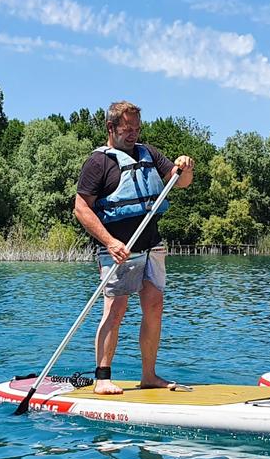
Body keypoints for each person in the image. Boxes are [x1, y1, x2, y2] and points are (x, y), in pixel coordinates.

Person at [73, 101, 194, 394]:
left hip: (152, 246)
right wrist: (110, 242)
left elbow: (183, 183)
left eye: (137, 129)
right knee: (115, 310)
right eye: (127, 129)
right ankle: (102, 378)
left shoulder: (148, 153)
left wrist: (186, 167)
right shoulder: (98, 163)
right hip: (119, 249)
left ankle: (149, 375)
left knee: (154, 306)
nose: (133, 134)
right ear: (111, 128)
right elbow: (81, 209)